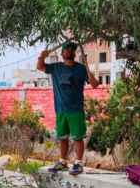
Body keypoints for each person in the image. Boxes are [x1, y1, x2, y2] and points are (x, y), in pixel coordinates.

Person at [37, 42, 99, 175]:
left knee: (77, 138)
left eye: (72, 49)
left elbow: (94, 84)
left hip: (76, 110)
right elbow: (40, 67)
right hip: (60, 110)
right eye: (67, 49)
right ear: (62, 54)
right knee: (62, 138)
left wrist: (94, 81)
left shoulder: (81, 68)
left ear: (75, 54)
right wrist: (42, 57)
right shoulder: (56, 67)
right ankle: (63, 162)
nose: (70, 51)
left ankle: (78, 164)